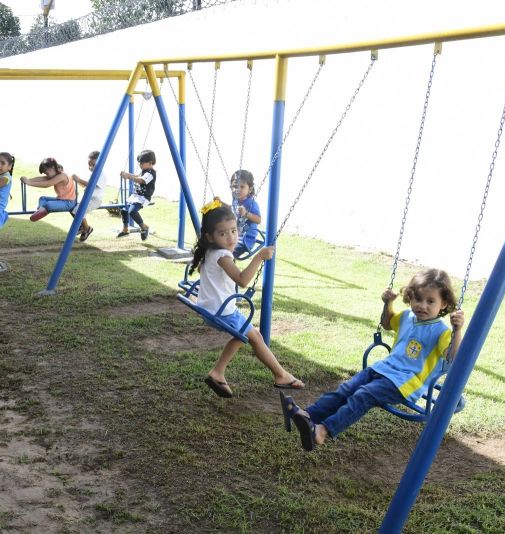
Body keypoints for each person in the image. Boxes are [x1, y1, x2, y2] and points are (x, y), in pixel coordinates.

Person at [280, 268, 465, 451]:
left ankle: (323, 431)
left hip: (405, 383)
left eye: (430, 301)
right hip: (382, 368)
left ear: (443, 304)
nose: (422, 305)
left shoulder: (442, 332)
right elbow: (387, 323)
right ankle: (307, 415)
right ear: (411, 297)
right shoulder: (407, 317)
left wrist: (457, 330)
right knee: (346, 389)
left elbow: (453, 357)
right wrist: (388, 303)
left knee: (363, 395)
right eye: (418, 299)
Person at [190, 199, 304, 398]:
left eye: (233, 231)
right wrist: (259, 257)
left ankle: (223, 371)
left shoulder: (210, 251)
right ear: (209, 236)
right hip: (223, 311)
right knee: (251, 336)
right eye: (223, 233)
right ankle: (279, 375)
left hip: (210, 308)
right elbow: (242, 280)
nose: (231, 237)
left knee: (248, 335)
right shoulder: (223, 256)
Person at [117, 149, 156, 241]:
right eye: (139, 163)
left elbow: (141, 180)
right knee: (124, 208)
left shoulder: (151, 173)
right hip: (135, 196)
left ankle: (144, 227)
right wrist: (127, 174)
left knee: (132, 211)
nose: (140, 165)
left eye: (142, 163)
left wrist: (129, 176)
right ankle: (125, 229)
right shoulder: (144, 170)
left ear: (150, 163)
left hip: (143, 197)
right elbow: (137, 176)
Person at [22, 157, 77, 222]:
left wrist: (30, 183)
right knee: (42, 198)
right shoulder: (55, 174)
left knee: (49, 204)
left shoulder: (62, 176)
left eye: (46, 173)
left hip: (69, 202)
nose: (46, 175)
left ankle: (44, 209)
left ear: (53, 167)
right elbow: (43, 178)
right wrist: (28, 180)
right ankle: (41, 210)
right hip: (61, 200)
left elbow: (47, 184)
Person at [70, 150, 108, 242]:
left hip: (95, 200)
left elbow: (92, 184)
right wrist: (77, 181)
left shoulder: (101, 175)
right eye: (89, 165)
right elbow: (85, 185)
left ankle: (86, 228)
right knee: (73, 209)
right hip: (87, 199)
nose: (90, 167)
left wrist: (78, 179)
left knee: (78, 211)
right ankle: (83, 227)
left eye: (93, 165)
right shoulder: (93, 174)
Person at [230, 169, 262, 259]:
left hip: (245, 239)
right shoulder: (235, 200)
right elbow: (231, 209)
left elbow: (258, 219)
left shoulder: (251, 203)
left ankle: (230, 271)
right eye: (235, 186)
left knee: (227, 253)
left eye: (242, 187)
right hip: (233, 236)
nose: (237, 189)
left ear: (250, 189)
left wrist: (246, 214)